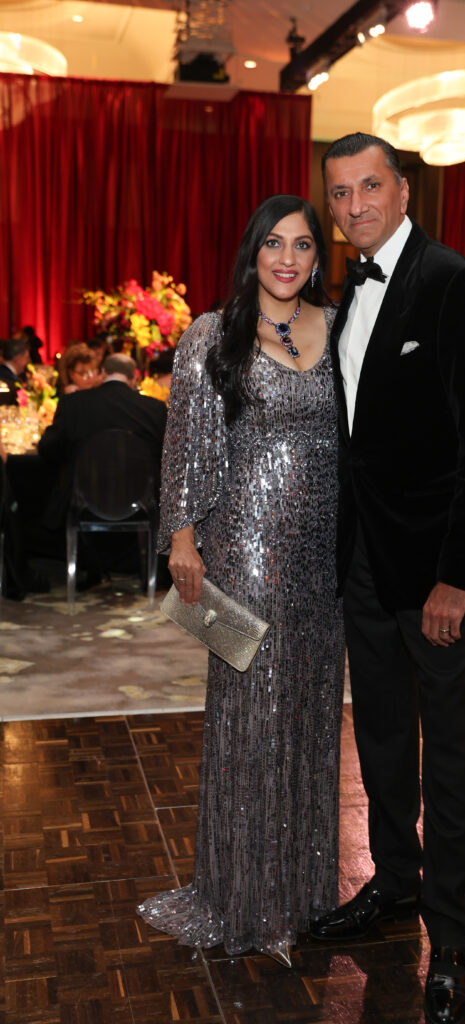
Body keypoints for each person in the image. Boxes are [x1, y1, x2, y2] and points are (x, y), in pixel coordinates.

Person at [311, 133, 465, 1024]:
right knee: (384, 743)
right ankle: (392, 884)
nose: (353, 206)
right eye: (338, 193)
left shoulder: (447, 281)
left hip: (434, 576)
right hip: (362, 564)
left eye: (368, 187)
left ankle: (452, 938)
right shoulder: (342, 292)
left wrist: (457, 580)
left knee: (451, 760)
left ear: (402, 189)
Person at [137, 195, 345, 967]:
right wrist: (182, 542)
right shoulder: (209, 335)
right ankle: (245, 901)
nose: (286, 259)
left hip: (325, 563)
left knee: (312, 717)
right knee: (250, 728)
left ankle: (303, 893)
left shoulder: (342, 331)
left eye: (301, 245)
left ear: (317, 258)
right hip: (242, 555)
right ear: (251, 253)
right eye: (272, 244)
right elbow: (184, 444)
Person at [38, 353, 167, 525]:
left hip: (83, 498)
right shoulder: (154, 409)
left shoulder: (73, 404)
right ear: (134, 378)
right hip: (140, 501)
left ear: (103, 373)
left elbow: (48, 448)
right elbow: (167, 456)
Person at [0, 338, 30, 405]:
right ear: (18, 357)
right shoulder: (6, 378)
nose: (27, 362)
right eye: (26, 358)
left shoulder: (7, 373)